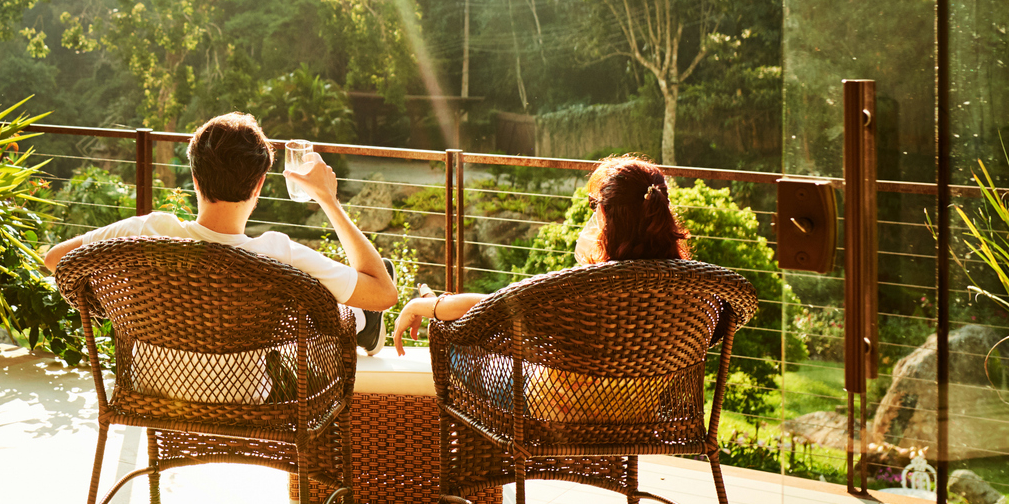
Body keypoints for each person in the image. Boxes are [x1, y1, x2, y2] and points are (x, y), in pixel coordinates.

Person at [42, 112, 397, 350]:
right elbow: (384, 292)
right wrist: (328, 200)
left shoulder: (149, 230)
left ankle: (362, 319)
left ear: (195, 179)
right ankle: (364, 322)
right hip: (252, 403)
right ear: (259, 185)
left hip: (151, 393)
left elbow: (56, 258)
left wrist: (116, 300)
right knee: (337, 307)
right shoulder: (278, 253)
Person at [392, 154, 692, 341]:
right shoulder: (691, 289)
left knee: (455, 348)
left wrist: (424, 305)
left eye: (594, 205)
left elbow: (496, 305)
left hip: (565, 413)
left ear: (606, 214)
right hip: (646, 416)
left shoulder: (590, 289)